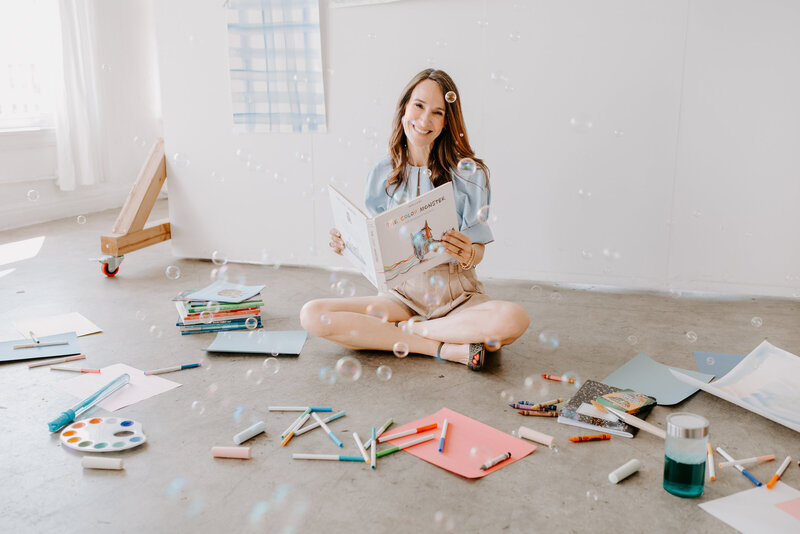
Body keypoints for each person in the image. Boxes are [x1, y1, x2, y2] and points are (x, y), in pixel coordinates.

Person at [300, 68, 530, 370]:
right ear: (404, 107)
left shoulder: (470, 175)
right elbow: (377, 241)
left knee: (514, 319)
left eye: (437, 112)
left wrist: (468, 252)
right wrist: (349, 242)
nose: (424, 120)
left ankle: (415, 332)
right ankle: (442, 347)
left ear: (447, 122)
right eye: (418, 106)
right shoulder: (383, 173)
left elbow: (478, 253)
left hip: (458, 299)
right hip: (399, 299)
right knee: (312, 314)